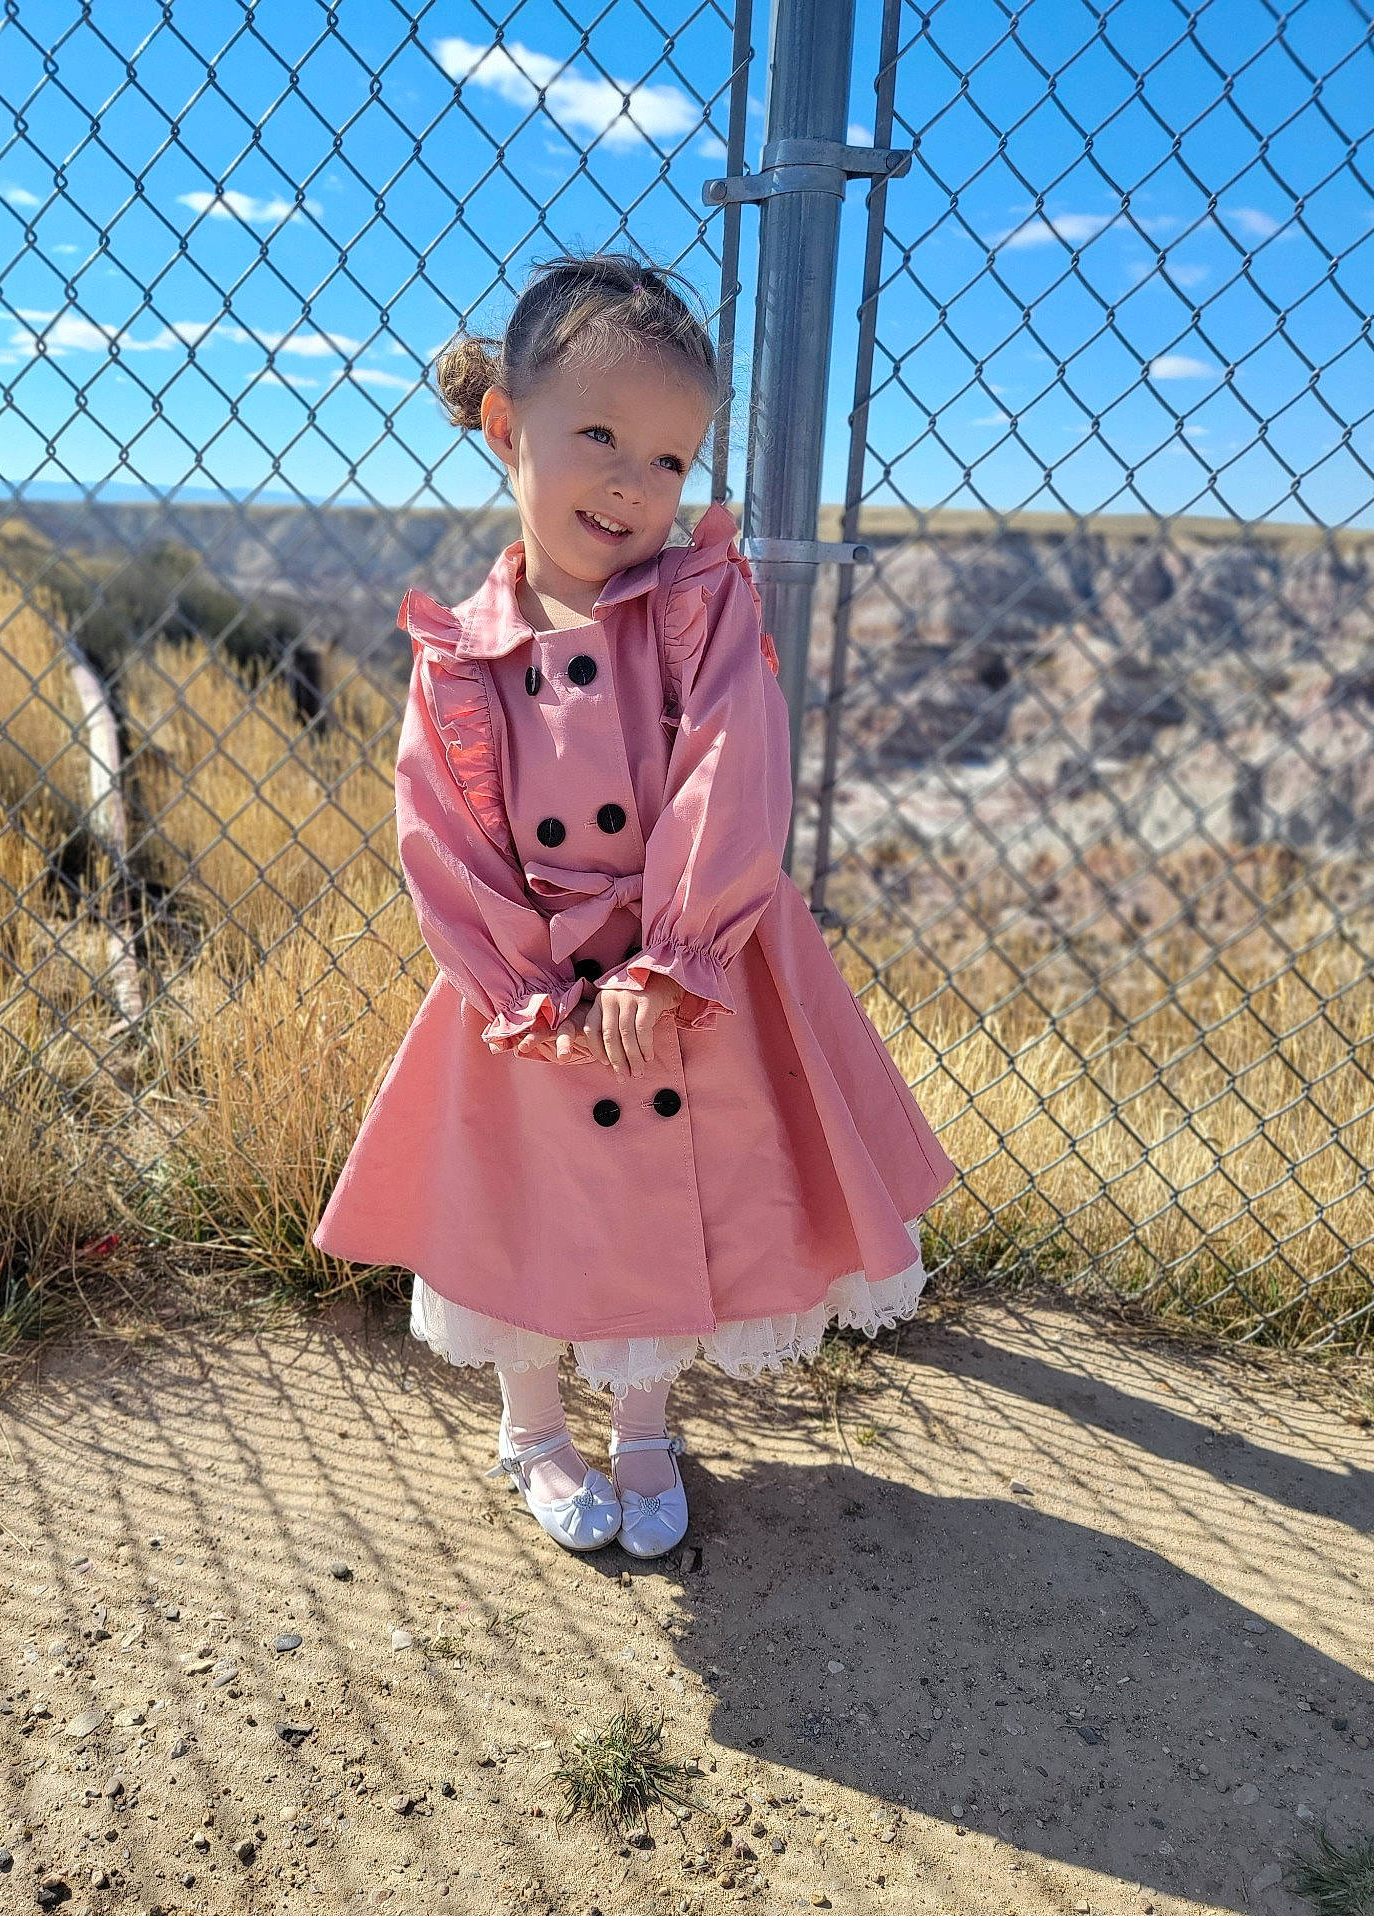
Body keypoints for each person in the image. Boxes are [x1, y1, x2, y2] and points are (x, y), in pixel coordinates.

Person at [312, 250, 959, 1559]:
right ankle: (532, 1426)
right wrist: (526, 986)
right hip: (536, 993)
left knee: (677, 1194)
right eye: (598, 435)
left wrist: (675, 952)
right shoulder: (461, 653)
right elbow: (438, 829)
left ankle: (647, 1421)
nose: (632, 481)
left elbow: (735, 762)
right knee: (528, 1206)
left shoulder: (701, 605)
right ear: (507, 427)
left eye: (670, 459)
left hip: (687, 968)